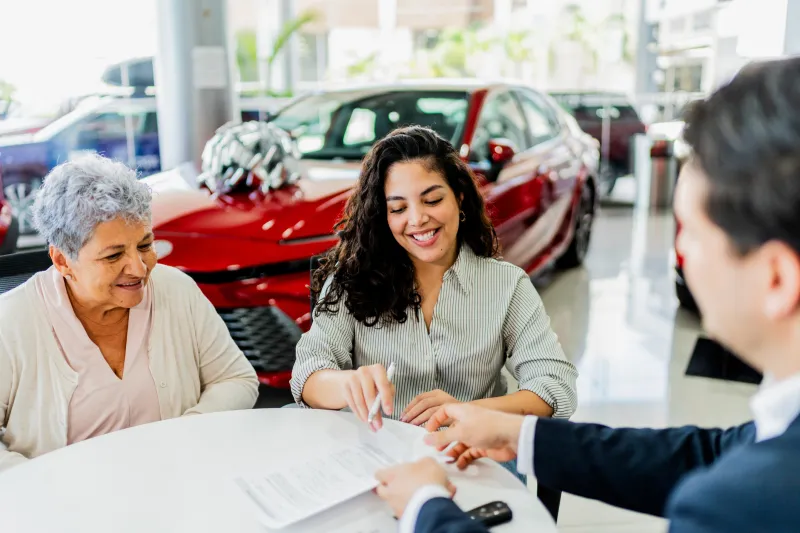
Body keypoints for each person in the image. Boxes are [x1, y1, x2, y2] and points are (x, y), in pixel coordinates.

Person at [374, 57, 800, 532]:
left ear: (777, 278)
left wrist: (425, 507)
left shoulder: (733, 510)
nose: (677, 251)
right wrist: (519, 434)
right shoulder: (778, 439)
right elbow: (716, 452)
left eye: (693, 235)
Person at [290, 126, 577, 433]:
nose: (417, 220)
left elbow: (556, 386)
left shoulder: (507, 285)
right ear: (383, 217)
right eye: (398, 208)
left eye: (432, 200)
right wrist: (347, 383)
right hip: (379, 453)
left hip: (470, 449)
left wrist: (466, 411)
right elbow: (307, 374)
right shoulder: (351, 279)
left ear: (460, 198)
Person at [0, 155, 259, 472]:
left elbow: (236, 379)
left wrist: (188, 433)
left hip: (180, 484)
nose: (139, 268)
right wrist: (42, 484)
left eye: (145, 244)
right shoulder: (11, 323)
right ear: (63, 261)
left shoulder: (176, 290)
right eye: (114, 255)